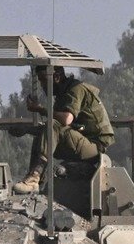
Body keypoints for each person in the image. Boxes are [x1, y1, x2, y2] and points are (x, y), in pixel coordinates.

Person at [11, 66, 115, 194]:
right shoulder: (63, 94)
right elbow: (53, 132)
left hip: (95, 146)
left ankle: (34, 178)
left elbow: (66, 120)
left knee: (52, 125)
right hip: (80, 141)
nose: (43, 85)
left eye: (44, 80)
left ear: (57, 77)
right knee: (42, 136)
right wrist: (27, 130)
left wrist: (41, 109)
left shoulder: (76, 89)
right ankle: (36, 182)